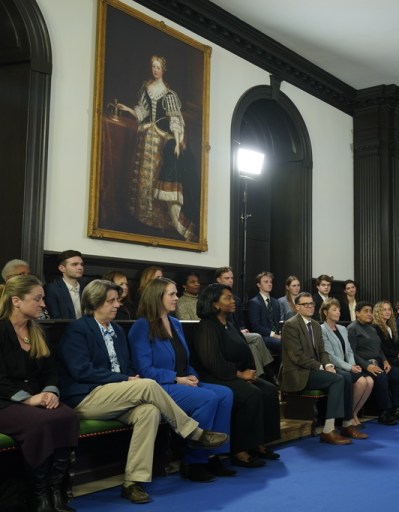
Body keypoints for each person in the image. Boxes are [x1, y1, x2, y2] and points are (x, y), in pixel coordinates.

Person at [58, 280, 229, 504]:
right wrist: (127, 380)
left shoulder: (117, 330)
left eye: (117, 300)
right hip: (88, 396)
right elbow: (82, 371)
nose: (117, 305)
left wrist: (129, 378)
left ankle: (132, 482)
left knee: (149, 411)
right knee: (148, 384)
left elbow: (128, 366)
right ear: (94, 302)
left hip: (118, 394)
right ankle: (194, 433)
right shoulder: (79, 329)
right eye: (111, 301)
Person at [128, 277, 234, 482]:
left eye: (176, 293)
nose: (176, 298)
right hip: (160, 386)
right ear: (157, 297)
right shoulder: (142, 327)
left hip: (183, 380)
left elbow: (184, 359)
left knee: (225, 394)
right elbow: (145, 370)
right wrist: (177, 379)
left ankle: (215, 454)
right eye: (172, 294)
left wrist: (192, 375)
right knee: (208, 397)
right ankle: (194, 460)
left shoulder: (175, 323)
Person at [0, 275, 79, 512]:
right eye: (38, 299)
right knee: (40, 423)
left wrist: (49, 392)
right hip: (4, 402)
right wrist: (28, 399)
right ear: (16, 301)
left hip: (37, 398)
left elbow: (51, 371)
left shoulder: (38, 331)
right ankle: (38, 496)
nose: (43, 304)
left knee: (67, 416)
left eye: (43, 298)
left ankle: (56, 492)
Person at [191, 283, 281, 467]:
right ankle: (239, 449)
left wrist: (250, 373)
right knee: (251, 395)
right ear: (215, 304)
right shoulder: (208, 327)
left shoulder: (230, 325)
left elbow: (246, 352)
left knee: (270, 390)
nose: (233, 301)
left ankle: (259, 442)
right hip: (215, 377)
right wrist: (240, 375)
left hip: (237, 375)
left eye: (232, 297)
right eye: (228, 298)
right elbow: (212, 362)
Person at [117, 55, 198, 242]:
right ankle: (141, 213)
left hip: (162, 138)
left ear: (163, 70)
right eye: (153, 67)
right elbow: (143, 112)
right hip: (146, 136)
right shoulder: (146, 88)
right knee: (143, 175)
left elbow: (175, 119)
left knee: (156, 174)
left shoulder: (169, 95)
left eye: (158, 67)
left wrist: (177, 142)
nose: (155, 70)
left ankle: (156, 217)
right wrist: (129, 110)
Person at [280, 292, 363, 444]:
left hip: (314, 369)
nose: (310, 306)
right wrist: (321, 366)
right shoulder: (290, 325)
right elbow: (296, 357)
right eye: (306, 304)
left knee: (346, 376)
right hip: (298, 372)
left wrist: (328, 365)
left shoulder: (316, 325)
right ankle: (328, 430)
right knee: (338, 379)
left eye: (312, 304)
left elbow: (322, 351)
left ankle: (346, 424)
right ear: (297, 307)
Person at [347, 301, 399, 425]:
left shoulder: (372, 328)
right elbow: (351, 353)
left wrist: (385, 360)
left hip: (378, 362)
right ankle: (384, 412)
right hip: (364, 364)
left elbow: (379, 348)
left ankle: (397, 408)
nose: (369, 314)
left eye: (370, 311)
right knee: (381, 378)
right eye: (365, 311)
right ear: (357, 313)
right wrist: (367, 366)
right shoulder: (352, 329)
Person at [215, 267, 276, 384]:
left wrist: (242, 329)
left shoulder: (236, 299)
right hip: (225, 334)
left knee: (253, 346)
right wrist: (238, 331)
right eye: (227, 278)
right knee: (257, 337)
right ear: (218, 279)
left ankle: (259, 377)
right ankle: (269, 370)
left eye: (232, 278)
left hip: (238, 333)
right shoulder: (214, 298)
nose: (230, 280)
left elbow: (240, 321)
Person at [320, 299, 373, 429]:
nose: (338, 312)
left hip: (348, 365)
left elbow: (349, 350)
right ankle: (345, 417)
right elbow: (330, 355)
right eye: (334, 310)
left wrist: (352, 365)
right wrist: (350, 367)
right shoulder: (322, 329)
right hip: (335, 366)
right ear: (326, 312)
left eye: (339, 310)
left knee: (370, 381)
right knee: (361, 382)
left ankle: (353, 414)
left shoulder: (342, 328)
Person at [247, 272, 282, 354]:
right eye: (266, 282)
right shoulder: (254, 302)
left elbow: (279, 321)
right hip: (263, 336)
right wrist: (275, 335)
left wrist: (281, 333)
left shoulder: (275, 302)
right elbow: (256, 327)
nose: (269, 284)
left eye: (270, 282)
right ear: (259, 285)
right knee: (284, 343)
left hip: (277, 335)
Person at [44, 250, 85, 320]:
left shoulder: (86, 289)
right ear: (62, 268)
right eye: (75, 264)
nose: (80, 267)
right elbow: (55, 317)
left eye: (82, 264)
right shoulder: (52, 289)